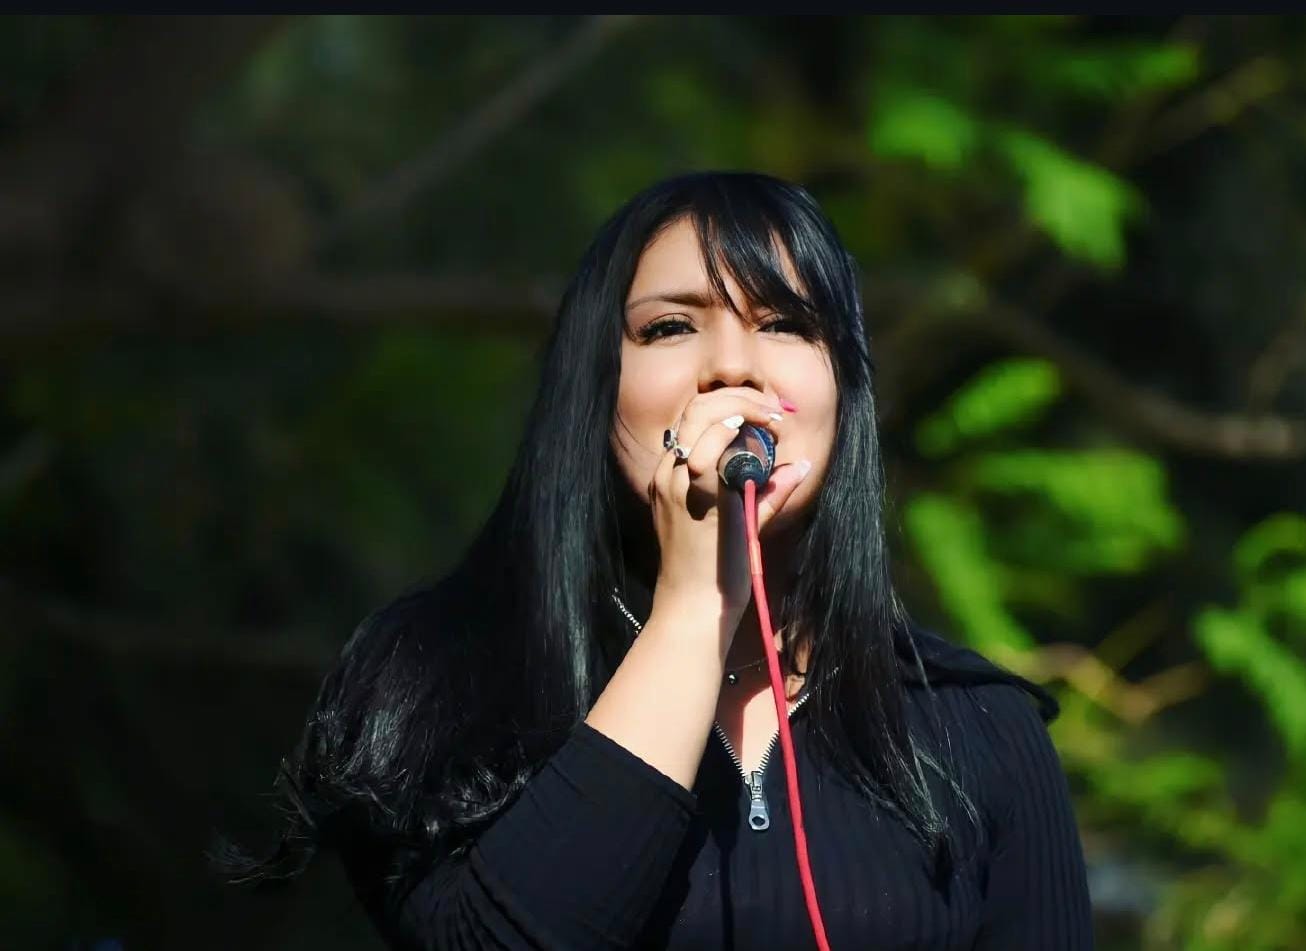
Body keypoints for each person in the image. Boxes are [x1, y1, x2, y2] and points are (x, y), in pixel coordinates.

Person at [220, 171, 1094, 949]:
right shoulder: (435, 679)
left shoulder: (978, 728)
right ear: (595, 389)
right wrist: (693, 607)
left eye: (785, 324)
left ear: (844, 395)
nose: (733, 368)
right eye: (671, 326)